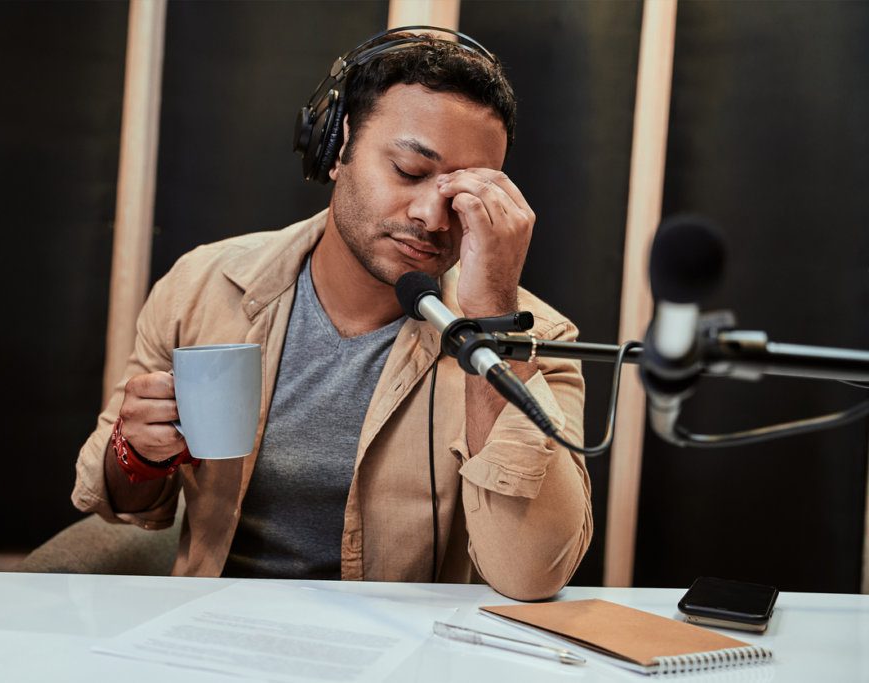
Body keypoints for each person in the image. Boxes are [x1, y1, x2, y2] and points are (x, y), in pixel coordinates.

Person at [72, 27, 591, 601]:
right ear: (336, 148)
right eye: (410, 172)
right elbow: (117, 501)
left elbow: (532, 573)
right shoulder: (204, 284)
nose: (432, 216)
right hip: (210, 635)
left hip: (402, 654)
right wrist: (139, 453)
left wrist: (492, 313)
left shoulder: (535, 341)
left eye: (464, 195)